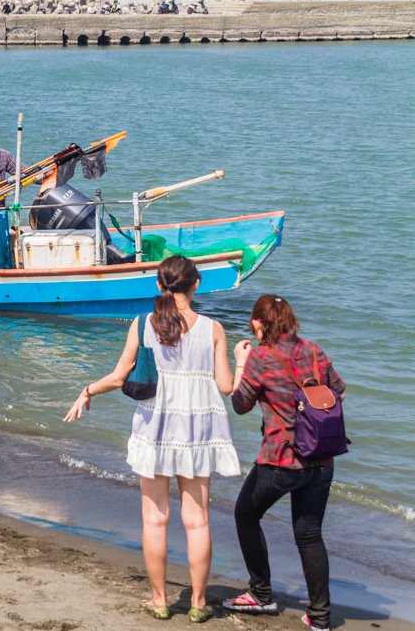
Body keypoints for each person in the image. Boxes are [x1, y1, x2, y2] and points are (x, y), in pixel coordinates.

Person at [63, 255, 239, 623]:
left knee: (154, 520)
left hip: (155, 428)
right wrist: (243, 359)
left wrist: (87, 391)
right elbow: (225, 387)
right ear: (196, 285)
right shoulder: (214, 329)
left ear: (159, 285)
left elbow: (118, 376)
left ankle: (159, 600)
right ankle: (199, 603)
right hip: (198, 431)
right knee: (198, 521)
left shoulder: (143, 323)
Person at [223, 295, 346, 631]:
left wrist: (240, 362)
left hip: (282, 460)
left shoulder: (260, 357)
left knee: (245, 515)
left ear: (258, 324)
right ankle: (320, 618)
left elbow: (240, 404)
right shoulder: (315, 350)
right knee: (309, 536)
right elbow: (339, 392)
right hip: (322, 458)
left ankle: (261, 594)